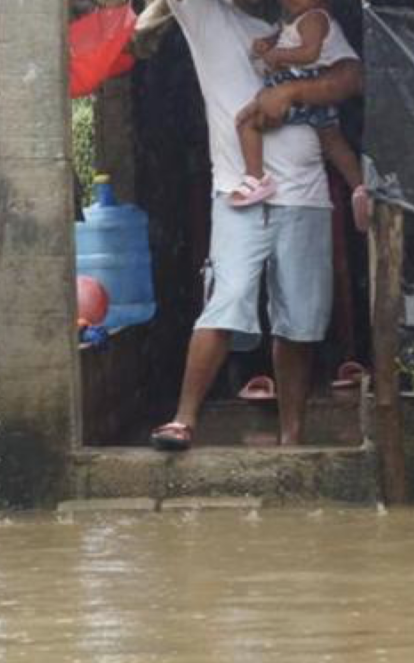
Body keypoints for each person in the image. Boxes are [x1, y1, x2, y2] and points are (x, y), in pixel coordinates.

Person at [142, 0, 364, 451]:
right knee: (226, 302)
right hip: (238, 198)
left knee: (298, 326)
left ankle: (292, 437)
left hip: (306, 199)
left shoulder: (310, 26)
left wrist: (292, 92)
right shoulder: (210, 18)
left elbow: (352, 78)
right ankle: (183, 420)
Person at [227, 0, 365, 221]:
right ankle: (359, 186)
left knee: (248, 122)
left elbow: (310, 53)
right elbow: (283, 36)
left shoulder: (314, 18)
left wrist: (278, 55)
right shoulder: (295, 21)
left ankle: (255, 178)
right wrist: (267, 43)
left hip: (306, 81)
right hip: (317, 93)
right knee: (332, 140)